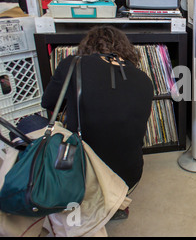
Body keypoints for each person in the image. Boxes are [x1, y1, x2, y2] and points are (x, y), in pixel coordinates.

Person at [41, 26, 154, 215]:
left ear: (88, 46)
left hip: (82, 174)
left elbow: (49, 103)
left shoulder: (73, 64)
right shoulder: (145, 80)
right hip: (130, 176)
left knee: (29, 125)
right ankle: (115, 200)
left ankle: (77, 198)